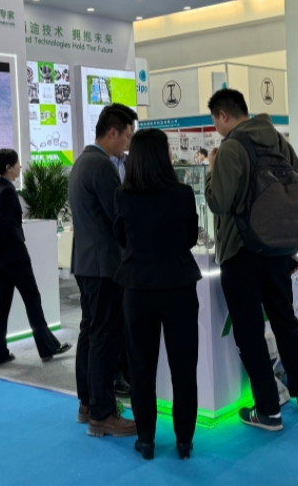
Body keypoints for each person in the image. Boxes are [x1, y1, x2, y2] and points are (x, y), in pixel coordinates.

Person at [205, 89, 298, 431]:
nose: (216, 127)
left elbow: (217, 202)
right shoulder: (279, 141)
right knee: (285, 321)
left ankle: (268, 410)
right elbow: (293, 182)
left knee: (250, 332)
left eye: (215, 120)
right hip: (279, 249)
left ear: (223, 115)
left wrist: (212, 170)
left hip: (241, 252)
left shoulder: (231, 148)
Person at [114, 129, 200, 461]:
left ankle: (146, 439)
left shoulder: (123, 195)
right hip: (179, 286)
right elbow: (191, 237)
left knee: (141, 368)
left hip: (138, 287)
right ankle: (184, 440)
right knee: (184, 367)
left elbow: (121, 237)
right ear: (163, 155)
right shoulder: (182, 193)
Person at [69, 104, 138, 437]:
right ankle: (103, 413)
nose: (128, 143)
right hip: (104, 266)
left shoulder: (83, 162)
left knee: (92, 333)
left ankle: (88, 402)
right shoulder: (101, 166)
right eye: (127, 136)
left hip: (88, 263)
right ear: (113, 132)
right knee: (104, 338)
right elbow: (120, 215)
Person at [0, 148, 70, 367]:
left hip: (1, 258)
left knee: (0, 304)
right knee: (32, 300)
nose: (20, 167)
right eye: (17, 163)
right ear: (8, 167)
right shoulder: (7, 191)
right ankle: (47, 347)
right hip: (14, 256)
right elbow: (1, 226)